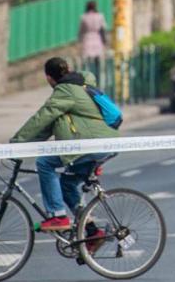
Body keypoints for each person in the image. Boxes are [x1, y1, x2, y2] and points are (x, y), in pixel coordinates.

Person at [10, 57, 119, 233]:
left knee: (45, 163)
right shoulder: (80, 86)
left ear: (48, 78)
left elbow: (43, 116)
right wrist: (24, 144)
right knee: (67, 185)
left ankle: (57, 216)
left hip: (91, 145)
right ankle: (92, 232)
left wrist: (16, 142)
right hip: (102, 144)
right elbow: (48, 126)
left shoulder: (65, 90)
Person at [77, 0, 107, 66]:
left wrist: (79, 39)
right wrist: (104, 41)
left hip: (87, 39)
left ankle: (89, 74)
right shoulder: (100, 16)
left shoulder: (83, 17)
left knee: (87, 61)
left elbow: (81, 30)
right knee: (98, 60)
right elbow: (103, 29)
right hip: (97, 38)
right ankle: (97, 74)